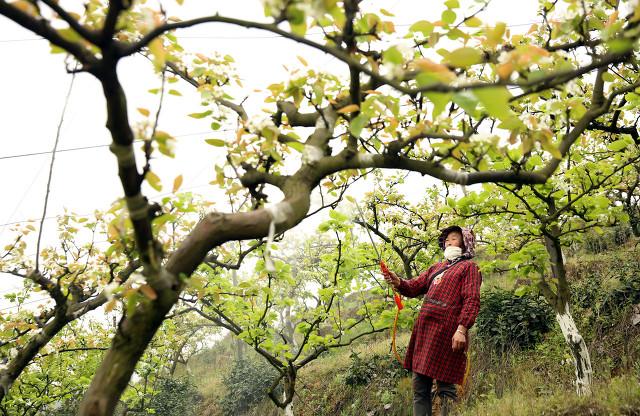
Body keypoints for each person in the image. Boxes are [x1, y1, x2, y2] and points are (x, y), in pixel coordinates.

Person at [383, 225, 482, 416]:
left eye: (454, 238)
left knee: (446, 389)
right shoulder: (436, 268)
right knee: (420, 388)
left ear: (465, 242)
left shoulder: (469, 268)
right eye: (447, 239)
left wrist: (461, 330)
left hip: (449, 333)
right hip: (425, 332)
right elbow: (413, 287)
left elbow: (472, 300)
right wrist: (398, 282)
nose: (448, 242)